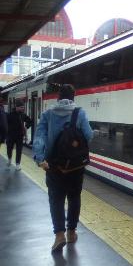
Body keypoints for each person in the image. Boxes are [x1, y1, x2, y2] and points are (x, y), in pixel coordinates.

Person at [33, 84, 93, 252]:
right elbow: (89, 135)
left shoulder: (47, 114)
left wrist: (39, 158)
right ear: (73, 97)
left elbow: (40, 137)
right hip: (75, 166)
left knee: (56, 199)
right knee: (74, 197)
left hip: (53, 165)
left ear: (57, 98)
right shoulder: (79, 113)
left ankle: (59, 235)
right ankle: (71, 233)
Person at [5, 99, 32, 171]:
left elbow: (30, 121)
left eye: (23, 107)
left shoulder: (23, 115)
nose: (23, 108)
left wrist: (26, 127)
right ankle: (9, 158)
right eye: (21, 107)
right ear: (16, 107)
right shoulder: (9, 115)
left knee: (19, 150)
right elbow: (5, 124)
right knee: (9, 148)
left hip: (19, 136)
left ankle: (17, 164)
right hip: (10, 136)